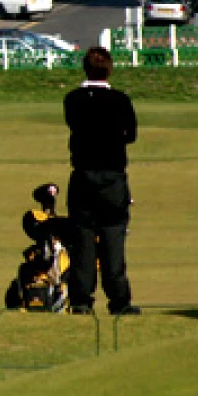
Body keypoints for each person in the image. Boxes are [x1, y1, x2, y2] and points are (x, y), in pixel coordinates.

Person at [63, 47, 139, 316]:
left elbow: (73, 123)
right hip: (112, 178)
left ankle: (81, 300)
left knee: (82, 238)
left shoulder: (73, 99)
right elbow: (131, 135)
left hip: (83, 176)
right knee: (113, 236)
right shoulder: (120, 100)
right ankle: (119, 300)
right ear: (109, 69)